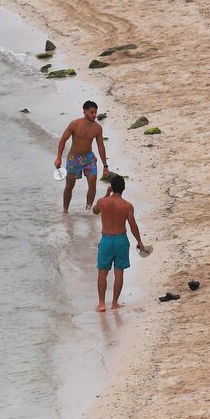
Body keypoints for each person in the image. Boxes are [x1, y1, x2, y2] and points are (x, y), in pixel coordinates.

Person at [91, 174, 147, 311]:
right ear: (123, 188)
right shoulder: (127, 206)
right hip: (121, 240)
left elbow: (94, 211)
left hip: (106, 240)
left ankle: (102, 304)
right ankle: (114, 303)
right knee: (119, 273)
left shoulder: (102, 202)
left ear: (111, 187)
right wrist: (139, 241)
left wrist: (106, 194)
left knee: (102, 272)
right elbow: (133, 225)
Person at [55, 101, 109, 212]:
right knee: (69, 186)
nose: (94, 115)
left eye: (95, 112)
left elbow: (101, 147)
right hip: (73, 159)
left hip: (88, 158)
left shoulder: (97, 128)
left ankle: (88, 211)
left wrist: (105, 165)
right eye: (91, 112)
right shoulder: (75, 124)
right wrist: (59, 157)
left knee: (93, 184)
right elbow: (63, 140)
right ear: (84, 112)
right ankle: (65, 211)